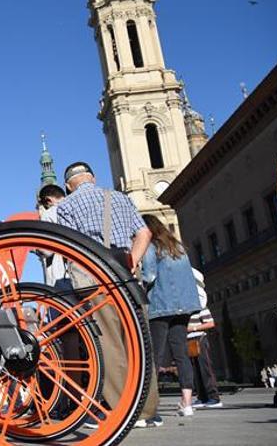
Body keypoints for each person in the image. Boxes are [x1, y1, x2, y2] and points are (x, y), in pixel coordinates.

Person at [55, 162, 162, 429]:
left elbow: (71, 246)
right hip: (125, 274)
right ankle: (149, 411)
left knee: (109, 344)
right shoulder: (120, 197)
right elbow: (144, 233)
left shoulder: (66, 206)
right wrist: (132, 261)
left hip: (94, 279)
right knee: (139, 341)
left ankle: (123, 410)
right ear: (92, 178)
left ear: (69, 185)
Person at [140, 214, 202, 417]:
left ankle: (150, 405)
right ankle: (187, 403)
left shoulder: (151, 247)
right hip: (184, 306)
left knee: (155, 355)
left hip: (161, 305)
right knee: (181, 353)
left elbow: (149, 276)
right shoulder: (179, 247)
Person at [186, 271, 223, 409]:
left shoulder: (201, 306)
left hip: (199, 339)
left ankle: (214, 397)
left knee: (205, 368)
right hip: (189, 341)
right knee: (195, 370)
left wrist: (193, 328)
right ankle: (202, 397)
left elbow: (210, 323)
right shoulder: (187, 309)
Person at [37, 184, 68, 287]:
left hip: (61, 277)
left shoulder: (49, 213)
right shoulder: (75, 208)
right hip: (86, 274)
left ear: (48, 200)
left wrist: (38, 248)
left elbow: (46, 251)